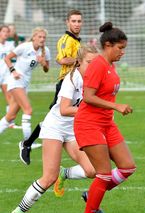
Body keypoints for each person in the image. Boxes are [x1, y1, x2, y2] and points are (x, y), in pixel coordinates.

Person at [9, 44, 105, 213]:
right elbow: (64, 109)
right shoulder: (72, 79)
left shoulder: (94, 79)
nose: (93, 67)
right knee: (49, 178)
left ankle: (65, 174)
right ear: (79, 63)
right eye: (89, 63)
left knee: (93, 169)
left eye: (96, 63)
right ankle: (18, 212)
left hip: (73, 130)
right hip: (55, 127)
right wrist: (91, 112)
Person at [74, 22, 137, 213]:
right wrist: (116, 105)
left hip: (106, 124)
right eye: (120, 48)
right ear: (108, 45)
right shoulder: (98, 65)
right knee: (104, 172)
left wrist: (113, 109)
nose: (123, 52)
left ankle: (92, 193)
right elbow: (88, 97)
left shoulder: (111, 65)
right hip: (89, 124)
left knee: (127, 167)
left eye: (124, 48)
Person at [19, 9, 83, 165]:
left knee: (57, 118)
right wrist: (82, 59)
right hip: (66, 83)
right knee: (56, 118)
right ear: (67, 22)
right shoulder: (66, 40)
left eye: (79, 21)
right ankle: (27, 144)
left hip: (75, 84)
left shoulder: (75, 40)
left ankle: (28, 144)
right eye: (73, 21)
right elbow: (61, 60)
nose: (76, 24)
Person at [0, 27, 50, 140]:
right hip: (15, 81)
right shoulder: (25, 47)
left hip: (25, 84)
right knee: (28, 110)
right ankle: (27, 144)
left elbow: (47, 69)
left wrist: (43, 63)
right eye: (39, 37)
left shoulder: (45, 51)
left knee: (11, 115)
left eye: (44, 37)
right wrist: (14, 71)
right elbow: (7, 58)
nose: (42, 39)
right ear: (34, 37)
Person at [0, 25, 15, 119]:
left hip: (5, 75)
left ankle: (10, 122)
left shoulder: (10, 44)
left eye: (7, 31)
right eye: (4, 31)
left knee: (9, 97)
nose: (6, 33)